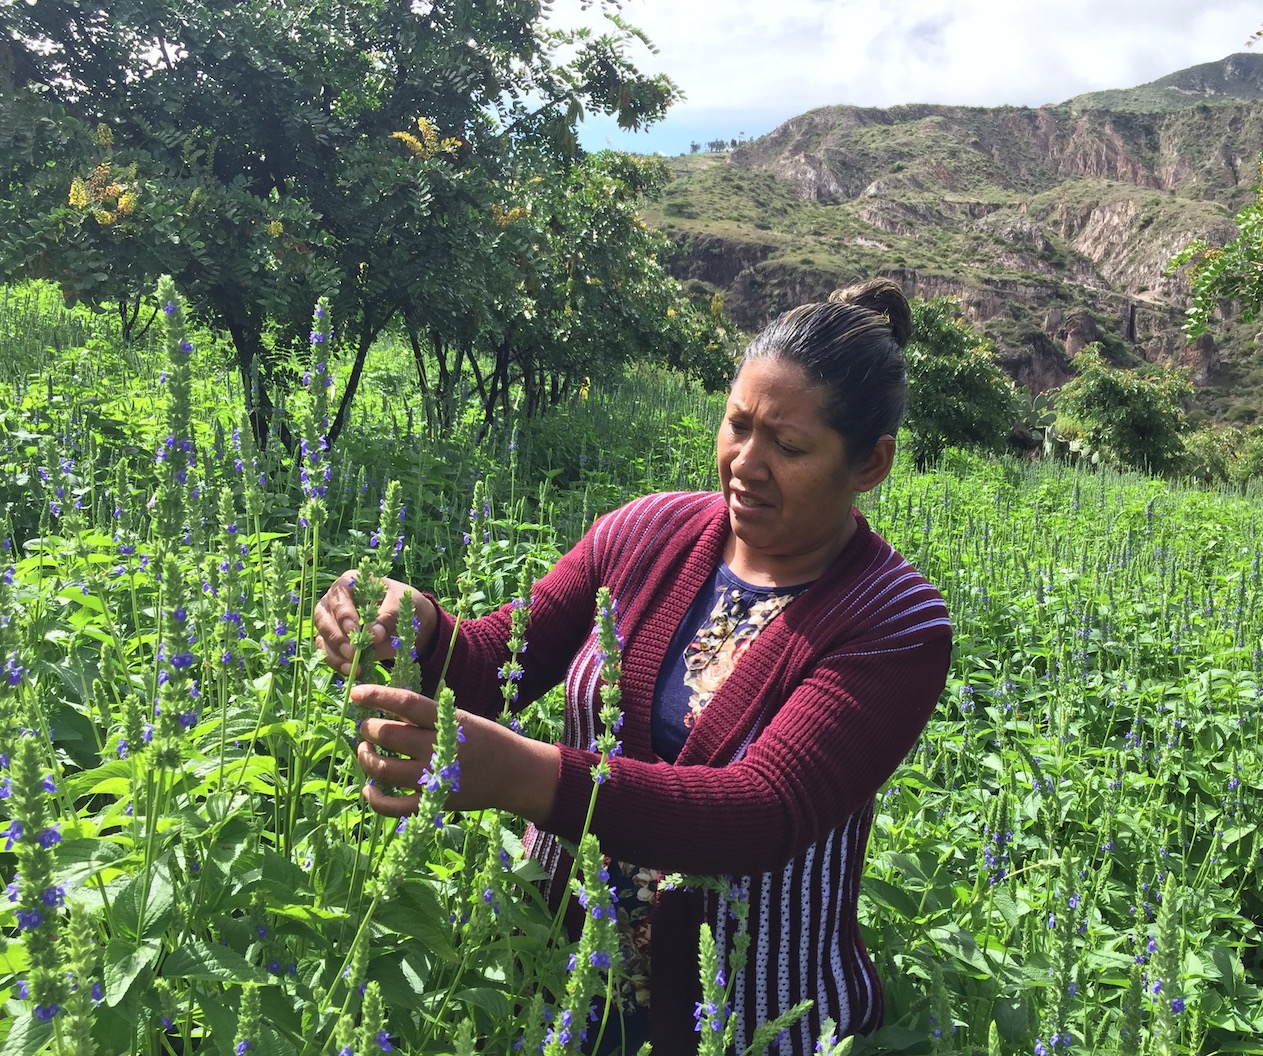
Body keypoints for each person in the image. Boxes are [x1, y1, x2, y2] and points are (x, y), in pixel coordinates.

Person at [314, 278, 952, 1055]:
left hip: (745, 1018)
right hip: (555, 975)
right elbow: (498, 663)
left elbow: (761, 813)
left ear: (870, 465)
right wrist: (413, 626)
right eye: (736, 424)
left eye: (788, 447)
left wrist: (524, 777)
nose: (745, 464)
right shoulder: (645, 531)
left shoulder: (893, 620)